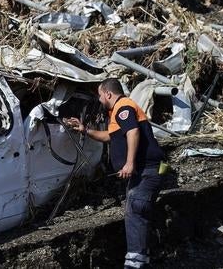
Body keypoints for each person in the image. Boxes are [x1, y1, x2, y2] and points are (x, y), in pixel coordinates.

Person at [66, 78, 164, 269]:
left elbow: (133, 132)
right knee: (135, 212)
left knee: (136, 211)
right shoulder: (117, 112)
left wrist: (129, 163)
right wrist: (84, 129)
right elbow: (109, 136)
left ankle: (135, 264)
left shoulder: (124, 107)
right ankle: (139, 261)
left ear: (108, 94)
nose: (99, 99)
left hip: (144, 171)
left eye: (100, 95)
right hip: (141, 173)